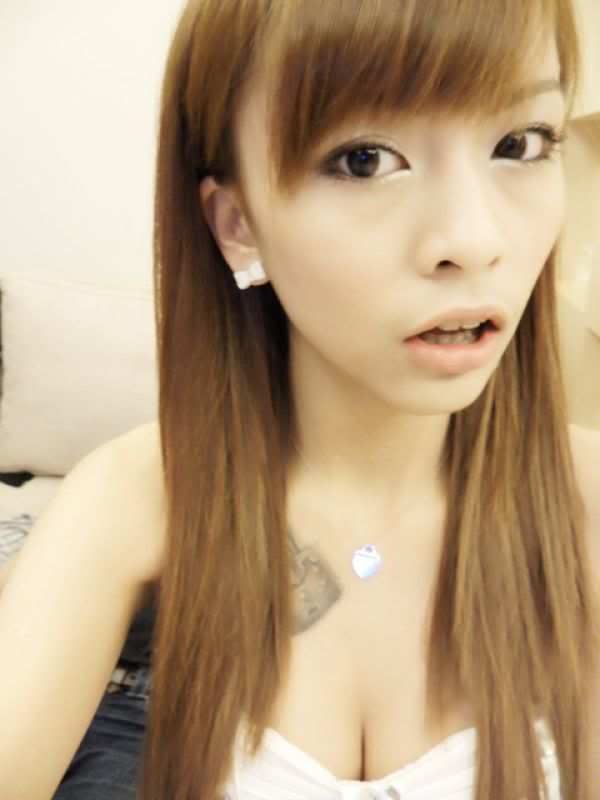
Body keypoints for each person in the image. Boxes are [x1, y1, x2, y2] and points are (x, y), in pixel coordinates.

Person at [2, 1, 600, 799]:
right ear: (238, 224)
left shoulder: (583, 501)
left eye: (519, 144)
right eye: (365, 160)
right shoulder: (138, 496)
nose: (474, 238)